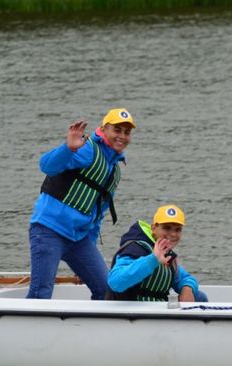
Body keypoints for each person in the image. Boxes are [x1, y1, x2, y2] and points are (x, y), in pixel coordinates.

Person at [28, 108, 136, 300]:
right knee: (41, 293)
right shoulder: (87, 150)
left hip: (79, 240)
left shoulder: (114, 170)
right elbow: (46, 166)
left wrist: (87, 256)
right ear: (104, 129)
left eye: (127, 132)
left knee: (107, 292)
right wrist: (68, 148)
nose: (122, 136)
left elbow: (98, 214)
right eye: (117, 130)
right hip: (49, 230)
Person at [106, 204, 207, 302]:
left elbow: (184, 277)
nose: (173, 234)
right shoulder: (136, 248)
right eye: (167, 228)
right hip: (131, 310)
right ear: (154, 228)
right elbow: (115, 282)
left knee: (199, 297)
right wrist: (153, 259)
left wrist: (187, 288)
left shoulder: (166, 252)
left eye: (178, 229)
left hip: (155, 308)